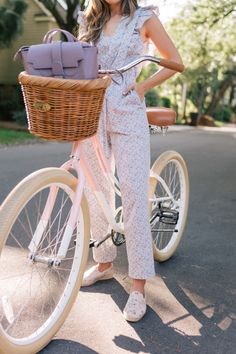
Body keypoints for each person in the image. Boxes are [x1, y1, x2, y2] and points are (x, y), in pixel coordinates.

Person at [78, 0, 183, 322]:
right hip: (91, 109)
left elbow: (175, 62)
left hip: (127, 110)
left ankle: (138, 287)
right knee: (96, 191)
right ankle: (105, 263)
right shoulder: (88, 18)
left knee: (135, 195)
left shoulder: (143, 18)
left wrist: (142, 87)